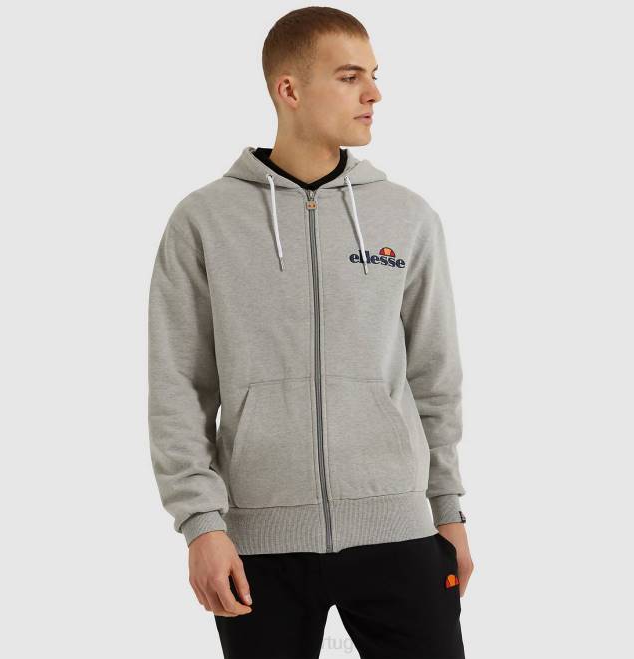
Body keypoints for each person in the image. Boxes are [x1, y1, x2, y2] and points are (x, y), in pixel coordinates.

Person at [148, 6, 474, 658]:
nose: (373, 93)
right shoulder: (204, 220)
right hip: (258, 545)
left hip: (400, 532)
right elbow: (178, 385)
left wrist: (447, 508)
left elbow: (434, 378)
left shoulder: (407, 217)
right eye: (350, 77)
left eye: (374, 75)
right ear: (289, 89)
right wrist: (201, 524)